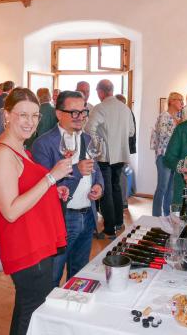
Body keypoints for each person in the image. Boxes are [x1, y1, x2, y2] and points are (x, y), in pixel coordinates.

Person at [0, 88, 71, 335]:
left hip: (36, 239)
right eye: (23, 115)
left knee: (27, 308)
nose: (30, 122)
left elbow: (23, 188)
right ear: (7, 115)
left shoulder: (21, 147)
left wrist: (50, 193)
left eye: (35, 116)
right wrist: (51, 179)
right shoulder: (3, 153)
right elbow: (10, 211)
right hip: (26, 244)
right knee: (32, 311)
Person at [32, 90, 104, 287]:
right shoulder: (44, 144)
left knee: (79, 274)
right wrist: (77, 170)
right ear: (58, 113)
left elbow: (96, 169)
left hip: (88, 215)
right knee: (53, 276)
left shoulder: (88, 139)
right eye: (73, 112)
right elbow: (44, 188)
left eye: (83, 112)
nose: (80, 117)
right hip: (62, 219)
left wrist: (98, 185)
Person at [86, 79, 135, 238]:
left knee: (106, 190)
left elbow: (88, 130)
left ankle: (109, 228)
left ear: (100, 92)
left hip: (104, 156)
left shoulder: (100, 108)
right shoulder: (125, 108)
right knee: (116, 187)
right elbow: (131, 132)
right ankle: (119, 222)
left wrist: (98, 144)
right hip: (120, 154)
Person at [150, 92, 183, 216]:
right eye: (179, 100)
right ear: (171, 101)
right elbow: (164, 135)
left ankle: (167, 215)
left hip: (174, 157)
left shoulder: (178, 119)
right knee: (162, 187)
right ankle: (156, 216)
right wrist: (177, 127)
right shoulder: (164, 116)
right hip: (164, 156)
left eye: (182, 100)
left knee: (171, 189)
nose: (182, 103)